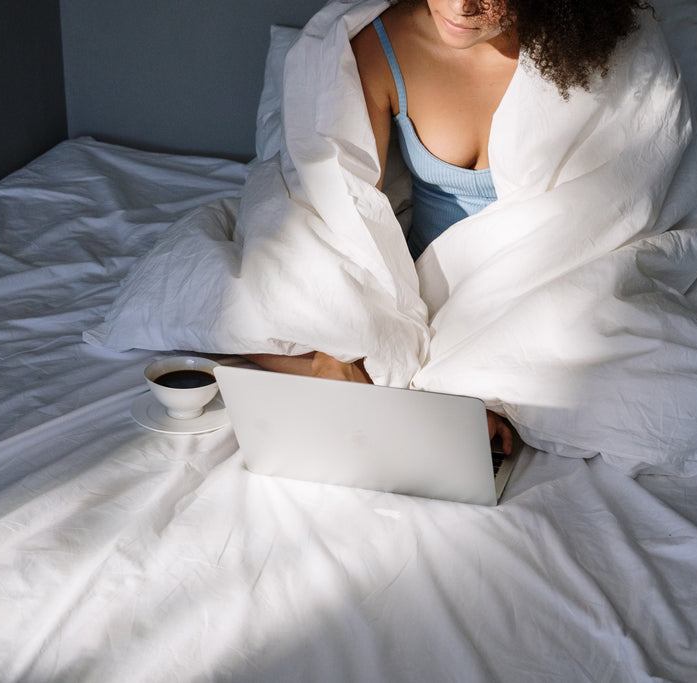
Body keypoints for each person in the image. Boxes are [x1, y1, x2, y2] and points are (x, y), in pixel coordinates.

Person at [246, 0, 647, 451]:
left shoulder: (592, 50)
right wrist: (336, 346)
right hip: (433, 291)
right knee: (258, 307)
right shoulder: (383, 46)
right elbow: (348, 212)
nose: (460, 6)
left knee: (626, 364)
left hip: (545, 284)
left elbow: (621, 205)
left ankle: (470, 389)